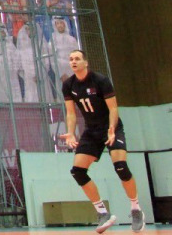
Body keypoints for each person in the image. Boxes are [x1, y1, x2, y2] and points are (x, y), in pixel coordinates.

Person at [61, 50, 144, 233]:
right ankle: (102, 213)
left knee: (121, 166)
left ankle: (136, 209)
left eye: (77, 59)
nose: (73, 62)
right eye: (71, 59)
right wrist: (71, 133)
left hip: (111, 128)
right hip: (91, 131)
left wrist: (112, 129)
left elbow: (113, 108)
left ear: (85, 62)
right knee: (78, 172)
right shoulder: (68, 85)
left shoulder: (100, 80)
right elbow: (71, 113)